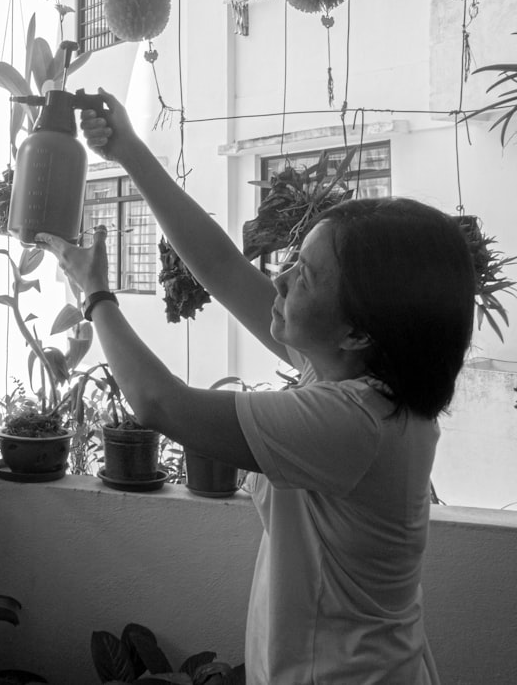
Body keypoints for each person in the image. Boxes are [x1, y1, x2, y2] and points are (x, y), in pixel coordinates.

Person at [35, 90, 475, 685]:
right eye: (294, 259)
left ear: (356, 330)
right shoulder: (355, 375)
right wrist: (131, 151)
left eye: (306, 275)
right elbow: (218, 267)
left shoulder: (355, 421)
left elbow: (159, 402)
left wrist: (96, 296)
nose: (281, 277)